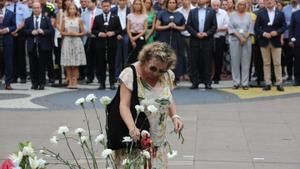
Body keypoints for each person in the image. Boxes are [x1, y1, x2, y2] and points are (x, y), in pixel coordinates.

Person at [118, 42, 184, 168]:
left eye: (161, 70)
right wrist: (132, 128)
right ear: (144, 60)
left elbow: (168, 98)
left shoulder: (167, 75)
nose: (156, 73)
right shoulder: (130, 74)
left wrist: (175, 116)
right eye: (153, 68)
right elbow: (123, 105)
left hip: (158, 142)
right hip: (135, 140)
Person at [254, 0, 287, 91]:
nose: (269, 1)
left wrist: (277, 32)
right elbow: (256, 28)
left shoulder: (280, 13)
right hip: (264, 41)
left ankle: (279, 83)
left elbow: (284, 27)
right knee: (266, 63)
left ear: (274, 2)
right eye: (266, 0)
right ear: (264, 3)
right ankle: (267, 83)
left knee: (277, 63)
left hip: (276, 41)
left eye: (271, 0)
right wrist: (264, 33)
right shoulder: (260, 13)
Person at [187, 0, 217, 89]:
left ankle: (207, 82)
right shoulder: (192, 12)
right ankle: (195, 82)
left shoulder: (211, 11)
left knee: (207, 61)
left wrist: (206, 33)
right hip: (194, 40)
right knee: (194, 61)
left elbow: (214, 26)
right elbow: (188, 25)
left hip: (207, 40)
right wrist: (196, 34)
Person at [24, 2, 54, 90]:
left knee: (42, 65)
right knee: (33, 65)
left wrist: (43, 31)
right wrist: (30, 32)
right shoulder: (28, 20)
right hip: (32, 45)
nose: (36, 10)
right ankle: (34, 83)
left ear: (41, 8)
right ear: (32, 9)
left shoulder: (47, 19)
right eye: (34, 8)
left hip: (43, 45)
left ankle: (42, 83)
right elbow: (24, 31)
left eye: (37, 8)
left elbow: (51, 31)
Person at [92, 0, 122, 90]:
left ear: (110, 6)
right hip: (100, 44)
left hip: (112, 44)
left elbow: (119, 30)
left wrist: (113, 33)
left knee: (112, 64)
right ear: (101, 7)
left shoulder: (115, 17)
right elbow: (93, 30)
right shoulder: (97, 18)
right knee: (101, 64)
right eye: (104, 6)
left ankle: (112, 83)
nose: (106, 8)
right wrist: (99, 33)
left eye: (107, 6)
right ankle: (102, 83)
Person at [156, 0, 186, 83]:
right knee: (163, 57)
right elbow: (157, 27)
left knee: (176, 56)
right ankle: (162, 76)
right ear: (167, 4)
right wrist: (167, 26)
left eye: (173, 3)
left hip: (177, 38)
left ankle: (175, 78)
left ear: (176, 4)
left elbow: (184, 27)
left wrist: (176, 27)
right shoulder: (162, 13)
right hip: (164, 37)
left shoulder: (179, 14)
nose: (172, 4)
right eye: (170, 2)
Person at [228, 0, 253, 89]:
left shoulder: (249, 15)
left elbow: (251, 29)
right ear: (237, 6)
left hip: (246, 41)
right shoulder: (232, 15)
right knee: (235, 62)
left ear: (246, 6)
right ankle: (236, 82)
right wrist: (240, 37)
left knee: (246, 62)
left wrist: (245, 38)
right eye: (240, 5)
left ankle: (245, 83)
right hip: (235, 40)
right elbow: (231, 28)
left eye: (243, 5)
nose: (242, 6)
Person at [61, 3, 86, 89]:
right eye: (70, 9)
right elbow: (62, 32)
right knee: (67, 63)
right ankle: (69, 80)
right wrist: (68, 33)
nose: (72, 10)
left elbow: (83, 32)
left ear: (76, 10)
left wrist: (76, 34)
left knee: (75, 63)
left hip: (76, 42)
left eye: (73, 8)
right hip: (67, 41)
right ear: (68, 10)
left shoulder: (79, 20)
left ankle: (74, 80)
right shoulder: (65, 19)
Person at [7, 0, 30, 83]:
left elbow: (25, 20)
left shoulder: (24, 6)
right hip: (10, 32)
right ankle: (14, 76)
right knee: (12, 54)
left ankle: (23, 76)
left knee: (20, 54)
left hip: (20, 32)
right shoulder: (8, 7)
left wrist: (16, 30)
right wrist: (11, 31)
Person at [81, 0, 102, 84]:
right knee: (89, 58)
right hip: (88, 38)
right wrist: (87, 31)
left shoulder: (100, 12)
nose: (87, 4)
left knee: (99, 59)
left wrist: (94, 32)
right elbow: (82, 25)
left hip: (98, 37)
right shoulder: (83, 13)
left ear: (94, 3)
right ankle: (89, 77)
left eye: (89, 2)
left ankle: (100, 77)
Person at [111, 0, 130, 79]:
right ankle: (116, 75)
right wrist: (117, 33)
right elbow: (111, 23)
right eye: (120, 0)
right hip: (116, 34)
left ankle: (126, 75)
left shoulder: (130, 10)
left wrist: (124, 32)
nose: (122, 2)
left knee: (126, 56)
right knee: (117, 56)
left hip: (127, 33)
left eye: (124, 0)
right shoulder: (113, 10)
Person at [211, 0, 229, 84]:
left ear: (219, 5)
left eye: (217, 5)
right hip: (209, 38)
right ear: (211, 5)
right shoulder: (209, 12)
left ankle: (217, 77)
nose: (215, 7)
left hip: (220, 38)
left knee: (219, 58)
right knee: (208, 58)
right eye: (214, 5)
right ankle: (208, 76)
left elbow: (227, 26)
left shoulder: (223, 13)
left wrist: (218, 29)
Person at [176, 0, 195, 82]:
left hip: (191, 35)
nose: (184, 1)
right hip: (180, 35)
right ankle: (180, 73)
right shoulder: (178, 11)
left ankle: (188, 73)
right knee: (180, 55)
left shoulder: (194, 10)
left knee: (191, 56)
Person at [0, 0, 16, 90]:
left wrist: (7, 29)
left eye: (2, 0)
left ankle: (8, 83)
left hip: (7, 40)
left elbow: (14, 26)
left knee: (8, 62)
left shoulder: (10, 13)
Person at [282, 0, 299, 81]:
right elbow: (282, 22)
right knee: (289, 57)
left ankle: (297, 76)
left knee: (298, 58)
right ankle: (289, 75)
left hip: (298, 37)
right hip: (287, 36)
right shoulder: (285, 9)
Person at [289, 8, 300, 86]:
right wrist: (292, 40)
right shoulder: (295, 14)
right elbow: (291, 29)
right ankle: (297, 80)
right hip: (297, 42)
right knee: (297, 62)